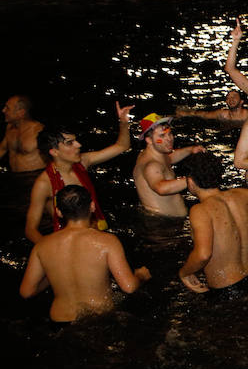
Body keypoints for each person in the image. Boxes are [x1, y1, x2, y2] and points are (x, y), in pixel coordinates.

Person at [20, 185, 150, 322]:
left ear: (58, 212)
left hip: (59, 321)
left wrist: (52, 274)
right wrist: (141, 276)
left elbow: (27, 291)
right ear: (92, 206)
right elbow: (129, 287)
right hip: (99, 320)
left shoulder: (42, 245)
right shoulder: (107, 242)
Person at [26, 104, 133, 244]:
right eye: (70, 143)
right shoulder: (44, 183)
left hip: (96, 233)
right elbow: (30, 230)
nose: (79, 145)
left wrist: (123, 123)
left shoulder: (83, 162)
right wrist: (51, 250)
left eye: (75, 140)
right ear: (54, 151)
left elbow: (122, 146)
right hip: (70, 243)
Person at [177, 151, 248, 294]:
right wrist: (246, 220)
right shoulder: (241, 195)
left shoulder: (200, 210)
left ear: (190, 181)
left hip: (227, 290)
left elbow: (203, 254)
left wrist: (184, 273)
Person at [133, 113, 206, 217]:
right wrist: (191, 180)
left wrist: (190, 150)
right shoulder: (151, 165)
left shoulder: (154, 154)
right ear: (149, 140)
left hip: (166, 221)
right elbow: (161, 188)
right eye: (162, 136)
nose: (169, 139)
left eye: (170, 133)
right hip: (163, 225)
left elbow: (169, 158)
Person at [4, 95, 45, 171]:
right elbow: (2, 149)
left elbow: (56, 156)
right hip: (16, 177)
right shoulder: (10, 128)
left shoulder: (38, 130)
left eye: (7, 108)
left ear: (21, 112)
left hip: (34, 177)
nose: (3, 110)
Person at [175, 88, 248, 124]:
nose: (231, 99)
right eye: (228, 97)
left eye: (234, 97)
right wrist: (185, 114)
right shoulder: (222, 115)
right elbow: (203, 115)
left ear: (241, 101)